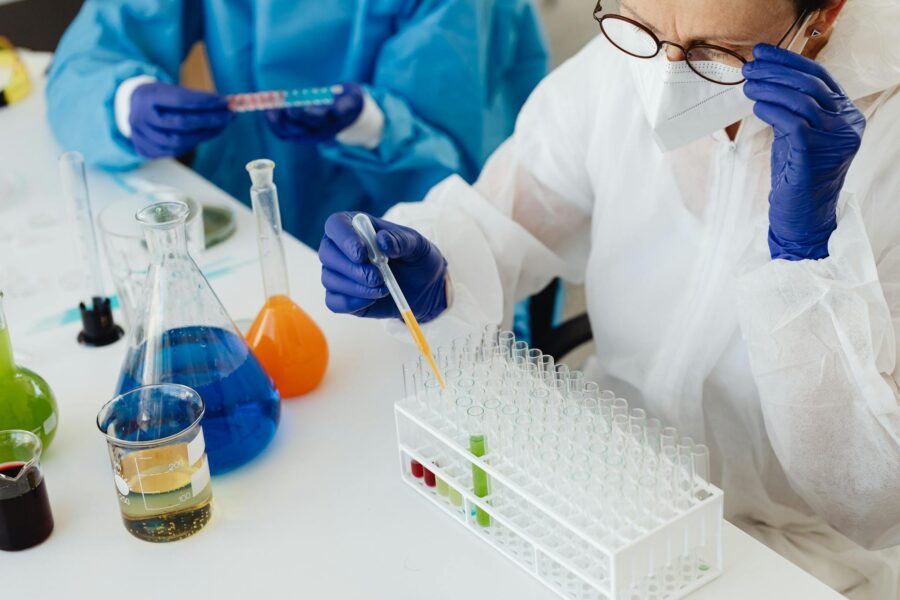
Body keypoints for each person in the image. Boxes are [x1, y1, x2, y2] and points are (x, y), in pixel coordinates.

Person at [318, 0, 900, 597]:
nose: (668, 74)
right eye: (643, 26)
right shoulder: (622, 64)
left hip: (797, 560)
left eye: (716, 53)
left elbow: (872, 499)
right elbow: (501, 219)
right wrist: (426, 261)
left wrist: (806, 264)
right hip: (607, 498)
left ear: (824, 14)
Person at [44, 0, 548, 246]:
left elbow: (462, 177)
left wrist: (371, 125)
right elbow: (92, 53)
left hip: (399, 241)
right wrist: (122, 103)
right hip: (240, 214)